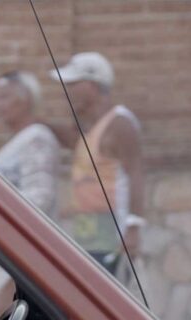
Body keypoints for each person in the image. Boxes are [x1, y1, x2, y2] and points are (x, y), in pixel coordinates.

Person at [49, 52, 145, 274]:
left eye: (73, 83)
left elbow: (136, 173)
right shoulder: (89, 127)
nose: (67, 90)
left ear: (92, 86)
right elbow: (69, 138)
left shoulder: (120, 124)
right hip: (88, 235)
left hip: (112, 236)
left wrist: (134, 227)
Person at [0, 71, 61, 307]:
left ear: (26, 100)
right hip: (6, 250)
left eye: (4, 97)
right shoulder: (16, 143)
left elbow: (40, 196)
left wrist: (1, 217)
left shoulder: (37, 139)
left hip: (23, 255)